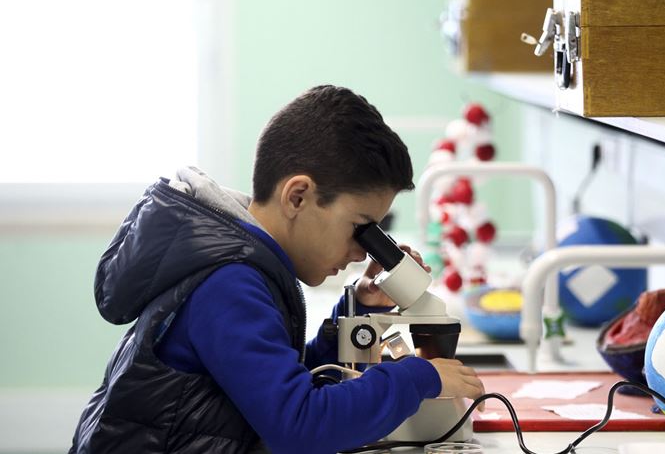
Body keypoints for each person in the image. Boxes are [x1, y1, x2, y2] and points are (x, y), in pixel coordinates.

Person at [69, 85, 486, 454]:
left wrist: (355, 312)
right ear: (298, 197)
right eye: (361, 229)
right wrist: (417, 379)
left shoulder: (239, 263)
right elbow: (299, 425)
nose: (362, 252)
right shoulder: (229, 282)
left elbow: (278, 383)